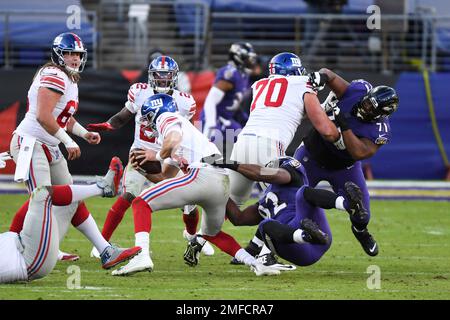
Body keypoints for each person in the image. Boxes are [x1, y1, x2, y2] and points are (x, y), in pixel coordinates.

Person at [111, 93, 280, 276]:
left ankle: (141, 256)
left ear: (154, 112)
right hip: (220, 182)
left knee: (140, 202)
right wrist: (144, 170)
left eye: (147, 117)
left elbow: (172, 140)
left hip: (202, 174)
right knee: (211, 234)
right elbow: (166, 178)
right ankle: (257, 264)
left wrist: (156, 155)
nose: (147, 123)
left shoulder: (167, 117)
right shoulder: (185, 132)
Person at [86, 55, 214, 261]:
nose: (162, 80)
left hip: (169, 156)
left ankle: (191, 237)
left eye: (167, 77)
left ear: (174, 78)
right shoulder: (139, 93)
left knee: (189, 201)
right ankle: (102, 244)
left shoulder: (184, 101)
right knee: (129, 194)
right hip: (140, 153)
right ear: (151, 77)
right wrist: (108, 125)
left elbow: (184, 132)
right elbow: (122, 117)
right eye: (159, 77)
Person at [227, 52, 343, 262]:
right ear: (296, 70)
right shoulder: (302, 84)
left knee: (226, 201)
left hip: (243, 142)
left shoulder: (260, 84)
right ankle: (264, 254)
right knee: (282, 204)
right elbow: (326, 130)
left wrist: (321, 107)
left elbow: (287, 109)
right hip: (270, 146)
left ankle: (198, 238)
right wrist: (338, 136)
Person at [8, 32, 103, 261]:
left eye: (78, 55)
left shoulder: (69, 79)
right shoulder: (54, 74)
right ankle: (13, 247)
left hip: (48, 146)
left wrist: (83, 134)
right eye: (69, 53)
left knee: (68, 198)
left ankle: (102, 249)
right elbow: (43, 116)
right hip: (31, 143)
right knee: (42, 198)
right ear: (58, 55)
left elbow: (63, 117)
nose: (75, 59)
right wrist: (69, 141)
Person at [297, 69, 400, 256]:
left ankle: (360, 231)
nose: (366, 106)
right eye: (368, 101)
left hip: (344, 167)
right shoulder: (359, 90)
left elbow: (360, 152)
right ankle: (261, 243)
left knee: (362, 213)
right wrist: (321, 77)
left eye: (371, 108)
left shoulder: (380, 129)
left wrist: (344, 125)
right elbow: (330, 75)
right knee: (287, 198)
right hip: (311, 155)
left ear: (380, 115)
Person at [0, 158, 141, 283]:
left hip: (22, 245)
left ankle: (106, 251)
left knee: (69, 198)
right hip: (28, 259)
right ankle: (102, 188)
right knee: (41, 195)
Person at [212, 156, 368, 267]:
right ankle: (305, 235)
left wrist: (229, 163)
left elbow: (263, 173)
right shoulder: (264, 203)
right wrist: (219, 188)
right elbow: (238, 218)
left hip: (317, 235)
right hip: (295, 246)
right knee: (266, 225)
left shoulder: (292, 177)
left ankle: (347, 204)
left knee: (304, 193)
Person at [201, 42, 257, 158]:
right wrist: (211, 123)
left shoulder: (243, 74)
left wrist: (245, 120)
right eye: (248, 58)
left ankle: (240, 170)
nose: (250, 61)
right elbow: (210, 101)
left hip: (226, 120)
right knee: (209, 153)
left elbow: (233, 101)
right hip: (213, 118)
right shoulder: (230, 74)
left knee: (246, 141)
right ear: (238, 57)